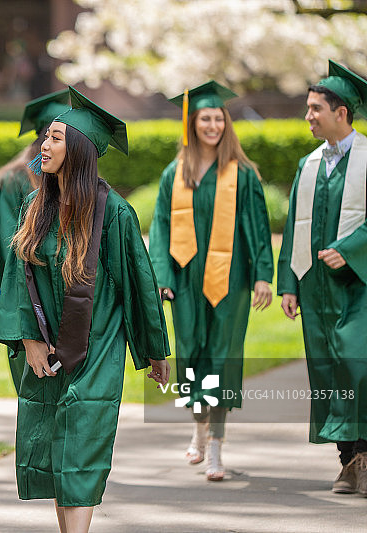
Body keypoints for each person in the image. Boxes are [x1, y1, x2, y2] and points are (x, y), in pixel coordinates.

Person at [0, 86, 171, 533]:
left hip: (98, 344)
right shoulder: (34, 206)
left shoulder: (115, 213)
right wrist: (28, 339)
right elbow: (17, 278)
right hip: (46, 343)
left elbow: (139, 284)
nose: (43, 145)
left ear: (79, 150)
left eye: (54, 138)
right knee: (56, 445)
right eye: (46, 137)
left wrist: (154, 351)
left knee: (82, 443)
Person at [148, 81, 274, 481]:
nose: (213, 125)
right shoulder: (174, 174)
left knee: (222, 357)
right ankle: (198, 430)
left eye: (219, 118)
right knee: (191, 356)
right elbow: (162, 229)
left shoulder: (243, 175)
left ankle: (216, 446)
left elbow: (257, 229)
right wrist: (163, 277)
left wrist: (261, 277)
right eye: (206, 118)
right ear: (191, 122)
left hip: (230, 281)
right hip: (185, 280)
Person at [277, 59, 367, 496]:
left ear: (341, 112)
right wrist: (288, 284)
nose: (308, 116)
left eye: (315, 108)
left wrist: (349, 251)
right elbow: (295, 223)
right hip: (315, 286)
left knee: (358, 366)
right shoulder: (308, 164)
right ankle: (347, 461)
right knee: (328, 371)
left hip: (359, 286)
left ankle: (365, 453)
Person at [0, 88, 70, 393]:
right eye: (52, 135)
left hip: (66, 289)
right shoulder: (14, 179)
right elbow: (9, 245)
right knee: (34, 381)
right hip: (28, 289)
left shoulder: (70, 177)